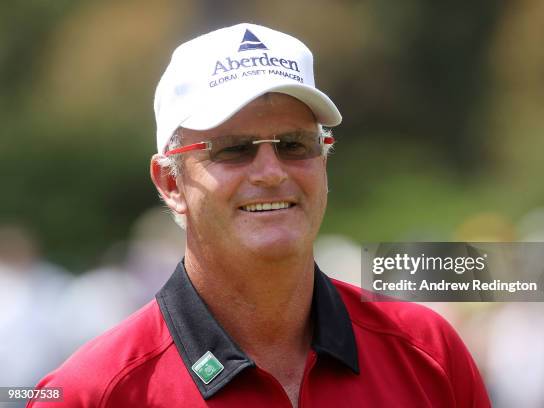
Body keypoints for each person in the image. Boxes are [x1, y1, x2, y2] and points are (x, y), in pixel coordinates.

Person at [29, 23, 490, 407]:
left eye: (294, 145)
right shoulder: (90, 392)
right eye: (232, 150)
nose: (271, 173)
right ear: (171, 183)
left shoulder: (429, 353)